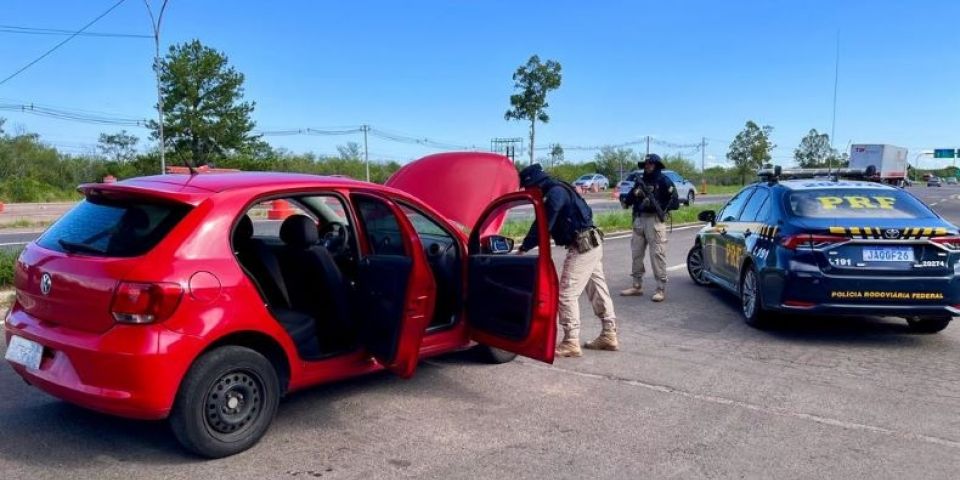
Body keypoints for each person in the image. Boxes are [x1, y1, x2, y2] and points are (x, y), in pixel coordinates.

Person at [517, 163, 618, 358]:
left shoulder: (554, 194)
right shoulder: (560, 188)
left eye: (527, 188)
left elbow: (543, 224)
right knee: (597, 289)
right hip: (592, 243)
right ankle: (609, 334)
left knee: (565, 294)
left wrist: (524, 247)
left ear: (534, 184)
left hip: (582, 246)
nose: (528, 192)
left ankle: (571, 341)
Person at [620, 154, 675, 302]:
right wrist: (628, 198)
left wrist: (658, 206)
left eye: (650, 163)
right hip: (639, 219)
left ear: (656, 165)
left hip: (655, 220)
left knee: (657, 254)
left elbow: (674, 201)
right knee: (636, 253)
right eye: (646, 163)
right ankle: (636, 286)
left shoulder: (664, 181)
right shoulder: (641, 181)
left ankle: (660, 289)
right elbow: (629, 199)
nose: (647, 166)